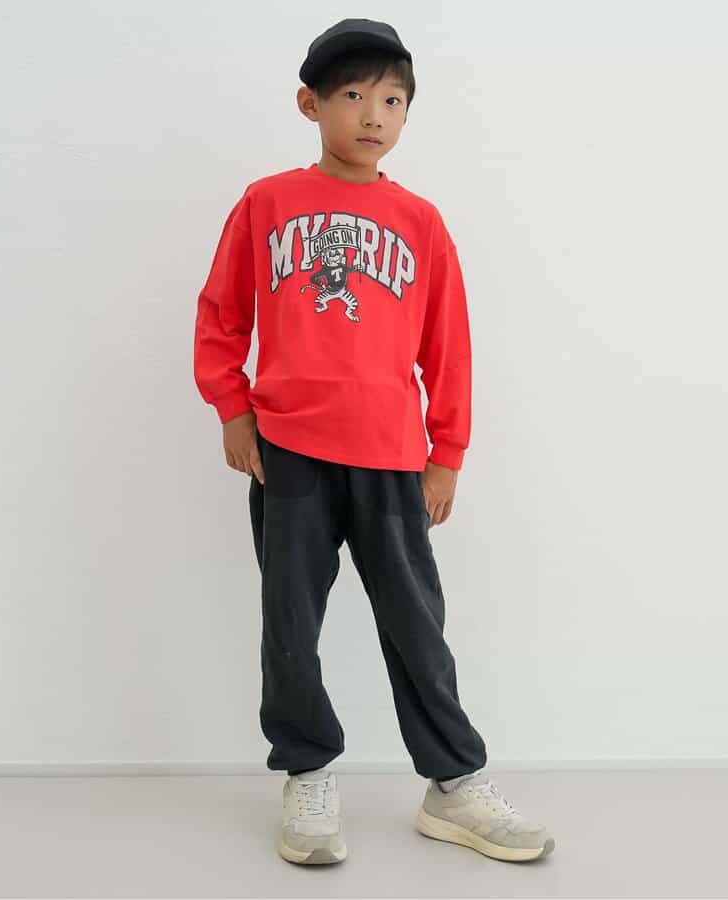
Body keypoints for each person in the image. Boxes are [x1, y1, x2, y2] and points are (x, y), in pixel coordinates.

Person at [193, 17, 555, 866]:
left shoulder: (420, 222)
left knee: (416, 623)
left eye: (392, 101)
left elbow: (448, 345)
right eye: (353, 95)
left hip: (392, 456)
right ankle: (307, 771)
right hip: (288, 449)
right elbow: (221, 315)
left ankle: (454, 783)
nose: (372, 115)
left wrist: (446, 453)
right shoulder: (266, 203)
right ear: (309, 104)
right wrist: (233, 408)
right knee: (290, 621)